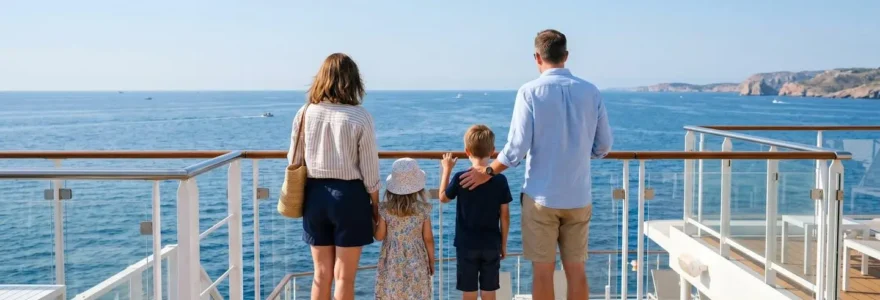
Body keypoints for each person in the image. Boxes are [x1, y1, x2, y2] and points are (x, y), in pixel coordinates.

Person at [459, 29, 613, 300]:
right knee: (576, 271)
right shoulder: (591, 91)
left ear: (537, 57)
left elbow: (516, 149)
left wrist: (489, 171)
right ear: (566, 56)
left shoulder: (529, 92)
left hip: (541, 198)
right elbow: (603, 147)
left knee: (543, 272)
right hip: (578, 196)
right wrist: (575, 152)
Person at [289, 53, 380, 300]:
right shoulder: (360, 116)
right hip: (350, 197)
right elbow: (370, 170)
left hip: (314, 196)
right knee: (344, 277)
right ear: (353, 81)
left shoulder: (306, 112)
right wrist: (375, 204)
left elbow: (294, 160)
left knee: (320, 274)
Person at [439, 125, 511, 300]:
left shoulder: (461, 177)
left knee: (469, 291)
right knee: (489, 291)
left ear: (467, 151)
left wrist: (447, 169)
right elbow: (505, 215)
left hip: (466, 245)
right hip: (491, 243)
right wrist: (503, 244)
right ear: (493, 151)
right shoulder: (500, 180)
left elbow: (443, 198)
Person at [374, 158, 435, 300]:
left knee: (392, 292)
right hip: (417, 259)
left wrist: (372, 221)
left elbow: (379, 236)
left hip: (392, 261)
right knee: (416, 292)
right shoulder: (423, 209)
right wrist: (431, 261)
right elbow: (428, 239)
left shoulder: (385, 209)